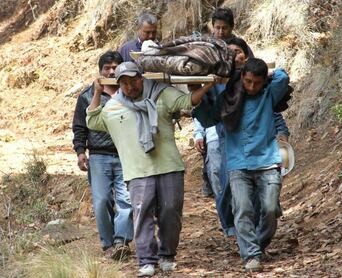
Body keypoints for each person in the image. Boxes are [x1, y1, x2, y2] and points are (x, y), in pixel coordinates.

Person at [86, 61, 213, 277]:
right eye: (124, 83)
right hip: (137, 171)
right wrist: (98, 92)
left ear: (141, 78)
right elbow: (92, 119)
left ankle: (167, 255)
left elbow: (188, 100)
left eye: (133, 81)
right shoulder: (114, 106)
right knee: (142, 215)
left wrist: (208, 84)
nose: (129, 87)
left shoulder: (161, 94)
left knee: (171, 213)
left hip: (169, 166)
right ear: (119, 85)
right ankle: (146, 260)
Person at [195, 58, 290, 272]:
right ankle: (251, 254)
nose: (252, 87)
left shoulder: (268, 95)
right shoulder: (228, 99)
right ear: (242, 78)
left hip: (267, 161)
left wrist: (269, 74)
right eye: (247, 81)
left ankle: (258, 242)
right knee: (243, 209)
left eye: (257, 82)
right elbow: (209, 118)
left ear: (263, 81)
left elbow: (283, 77)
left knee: (270, 208)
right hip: (238, 163)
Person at [72, 51, 133, 260]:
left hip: (126, 154)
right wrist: (80, 152)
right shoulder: (88, 95)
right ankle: (108, 244)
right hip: (98, 156)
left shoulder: (130, 92)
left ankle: (121, 242)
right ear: (100, 71)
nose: (111, 71)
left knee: (126, 200)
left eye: (115, 67)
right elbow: (80, 127)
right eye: (107, 68)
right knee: (102, 201)